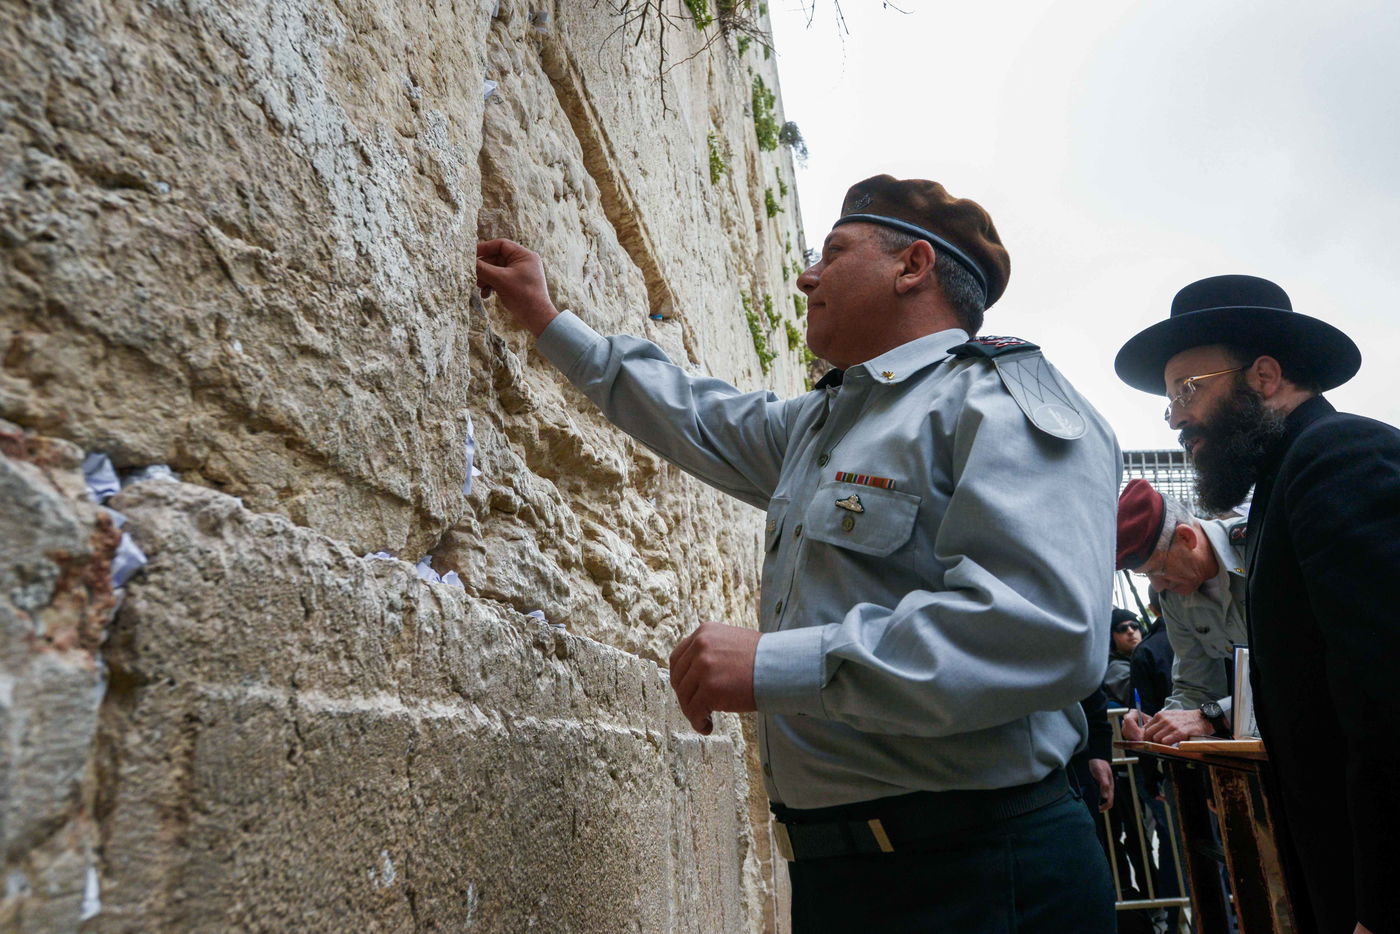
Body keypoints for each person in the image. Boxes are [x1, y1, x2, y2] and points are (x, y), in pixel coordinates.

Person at [477, 174, 1121, 932]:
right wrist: (548, 319)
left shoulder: (998, 404)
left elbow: (1047, 629)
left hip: (982, 874)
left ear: (912, 267)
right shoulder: (822, 423)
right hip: (841, 879)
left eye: (834, 252)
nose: (805, 274)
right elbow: (694, 415)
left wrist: (777, 664)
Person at [1115, 273, 1400, 934]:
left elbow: (1387, 696)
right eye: (1168, 403)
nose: (1176, 417)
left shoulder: (1337, 457)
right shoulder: (1287, 476)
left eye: (1188, 390)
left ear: (1265, 375)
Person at [1115, 478, 1247, 744]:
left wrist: (1210, 716)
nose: (1158, 585)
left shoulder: (1256, 545)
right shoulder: (1174, 594)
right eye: (1146, 577)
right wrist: (1158, 724)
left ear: (1187, 537)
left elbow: (1298, 666)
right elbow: (1196, 685)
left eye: (1158, 569)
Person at [1103, 608, 1141, 708]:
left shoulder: (1144, 657)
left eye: (1134, 626)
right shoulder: (1114, 666)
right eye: (1122, 629)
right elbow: (1144, 697)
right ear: (1112, 637)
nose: (1130, 631)